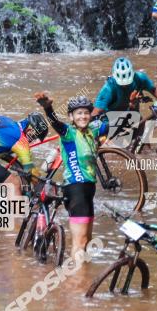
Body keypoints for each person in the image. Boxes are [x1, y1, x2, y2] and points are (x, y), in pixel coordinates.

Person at [34, 93, 99, 256]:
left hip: (88, 191)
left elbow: (116, 125)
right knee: (80, 243)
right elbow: (55, 122)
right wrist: (48, 108)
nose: (83, 116)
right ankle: (76, 280)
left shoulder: (93, 131)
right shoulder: (68, 133)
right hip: (76, 189)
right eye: (79, 113)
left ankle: (84, 278)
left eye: (86, 113)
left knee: (88, 242)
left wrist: (132, 104)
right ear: (71, 116)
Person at [92, 57, 157, 142]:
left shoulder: (140, 78)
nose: (125, 85)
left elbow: (154, 90)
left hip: (132, 115)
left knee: (140, 133)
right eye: (122, 84)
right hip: (111, 121)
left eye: (127, 82)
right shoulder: (109, 88)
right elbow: (96, 112)